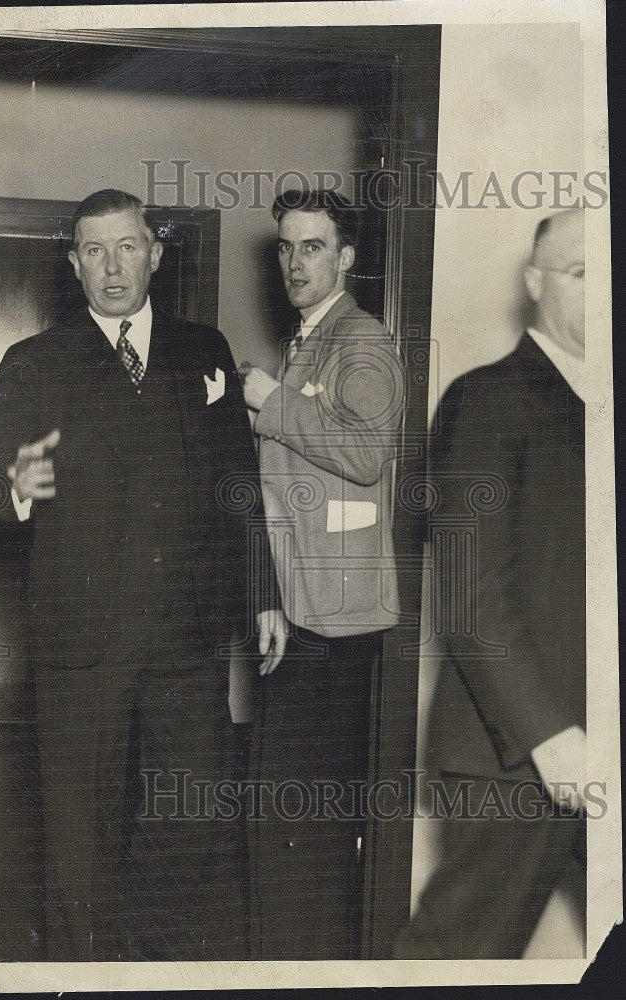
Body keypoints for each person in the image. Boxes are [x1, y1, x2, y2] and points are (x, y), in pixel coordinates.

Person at [0, 189, 285, 962]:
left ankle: (155, 964)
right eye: (95, 251)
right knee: (79, 834)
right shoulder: (35, 361)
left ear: (156, 254)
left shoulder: (202, 349)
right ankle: (81, 972)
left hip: (187, 640)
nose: (113, 266)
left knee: (190, 819)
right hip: (82, 645)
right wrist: (19, 486)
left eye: (128, 247)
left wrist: (264, 595)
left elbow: (237, 484)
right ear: (74, 265)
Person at [394, 208, 586, 959]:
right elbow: (473, 599)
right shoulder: (488, 400)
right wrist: (551, 737)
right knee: (455, 958)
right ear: (535, 282)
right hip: (520, 759)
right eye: (580, 273)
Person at [240, 188, 404, 959]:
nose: (295, 262)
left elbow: (367, 454)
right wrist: (268, 597)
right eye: (286, 247)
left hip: (338, 624)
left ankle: (304, 963)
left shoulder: (361, 339)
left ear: (345, 258)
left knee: (306, 819)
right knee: (286, 815)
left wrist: (271, 403)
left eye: (313, 247)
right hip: (302, 611)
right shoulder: (309, 339)